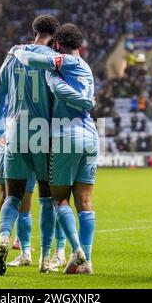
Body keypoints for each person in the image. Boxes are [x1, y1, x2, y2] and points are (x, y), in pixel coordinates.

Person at [13, 23, 98, 274]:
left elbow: (31, 60)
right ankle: (86, 261)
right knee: (85, 201)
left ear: (58, 46)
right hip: (91, 137)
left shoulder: (63, 64)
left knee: (59, 199)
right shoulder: (87, 67)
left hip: (66, 134)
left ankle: (77, 252)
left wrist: (16, 51)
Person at [0, 15, 62, 275]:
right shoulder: (51, 61)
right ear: (54, 37)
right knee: (46, 198)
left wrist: (0, 129)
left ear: (34, 32)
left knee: (12, 196)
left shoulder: (12, 57)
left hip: (15, 132)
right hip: (42, 133)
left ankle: (3, 240)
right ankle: (44, 259)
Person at [0, 83, 37, 267]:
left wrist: (1, 133)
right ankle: (16, 240)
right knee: (18, 197)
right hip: (19, 139)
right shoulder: (26, 84)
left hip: (10, 140)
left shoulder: (0, 86)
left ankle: (9, 236)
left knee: (7, 194)